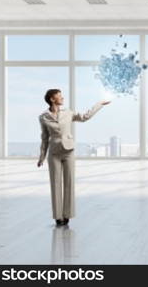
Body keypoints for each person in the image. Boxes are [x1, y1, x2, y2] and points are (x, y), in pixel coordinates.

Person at [37, 88, 111, 226]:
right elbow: (44, 138)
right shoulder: (43, 117)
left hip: (68, 151)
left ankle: (67, 215)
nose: (62, 98)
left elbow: (85, 117)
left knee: (69, 183)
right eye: (60, 96)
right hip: (53, 153)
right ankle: (58, 216)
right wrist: (42, 156)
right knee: (55, 184)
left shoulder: (68, 112)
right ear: (52, 99)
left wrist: (99, 104)